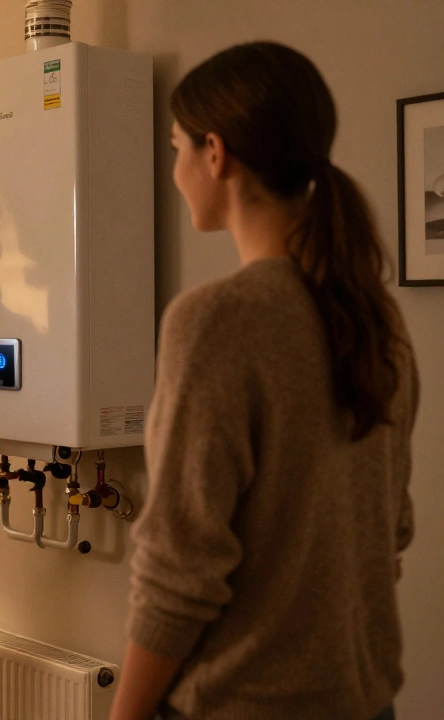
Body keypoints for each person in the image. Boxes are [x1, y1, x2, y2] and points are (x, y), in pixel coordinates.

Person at [110, 42, 418, 720]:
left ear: (214, 154)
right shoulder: (378, 321)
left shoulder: (218, 320)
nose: (176, 170)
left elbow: (177, 572)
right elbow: (387, 531)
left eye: (175, 148)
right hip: (366, 701)